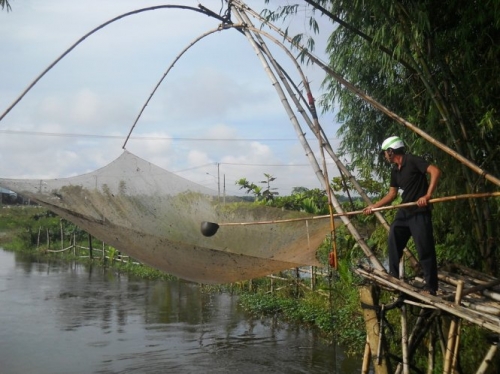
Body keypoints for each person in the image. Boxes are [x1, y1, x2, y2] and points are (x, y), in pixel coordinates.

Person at [363, 136, 441, 295]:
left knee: (424, 248)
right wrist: (374, 207)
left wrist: (427, 196)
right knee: (393, 236)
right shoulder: (395, 170)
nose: (385, 156)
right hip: (405, 211)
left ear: (391, 152)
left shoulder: (412, 160)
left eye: (385, 152)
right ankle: (394, 277)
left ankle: (431, 287)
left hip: (419, 211)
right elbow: (392, 194)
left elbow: (435, 171)